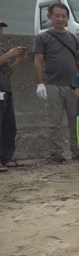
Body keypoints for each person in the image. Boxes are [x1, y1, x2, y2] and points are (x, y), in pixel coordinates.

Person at [33, 1, 79, 163]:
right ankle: (56, 153)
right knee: (54, 121)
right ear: (50, 17)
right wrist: (40, 83)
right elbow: (38, 61)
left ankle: (77, 151)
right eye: (57, 16)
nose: (60, 19)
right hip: (52, 84)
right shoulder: (43, 37)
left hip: (73, 85)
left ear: (68, 18)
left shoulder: (75, 39)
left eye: (63, 16)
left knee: (75, 120)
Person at [0, 19, 27, 171]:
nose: (0, 31)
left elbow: (7, 72)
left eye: (1, 28)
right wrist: (10, 54)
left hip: (5, 89)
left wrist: (18, 61)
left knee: (9, 126)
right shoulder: (5, 52)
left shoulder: (2, 49)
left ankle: (6, 157)